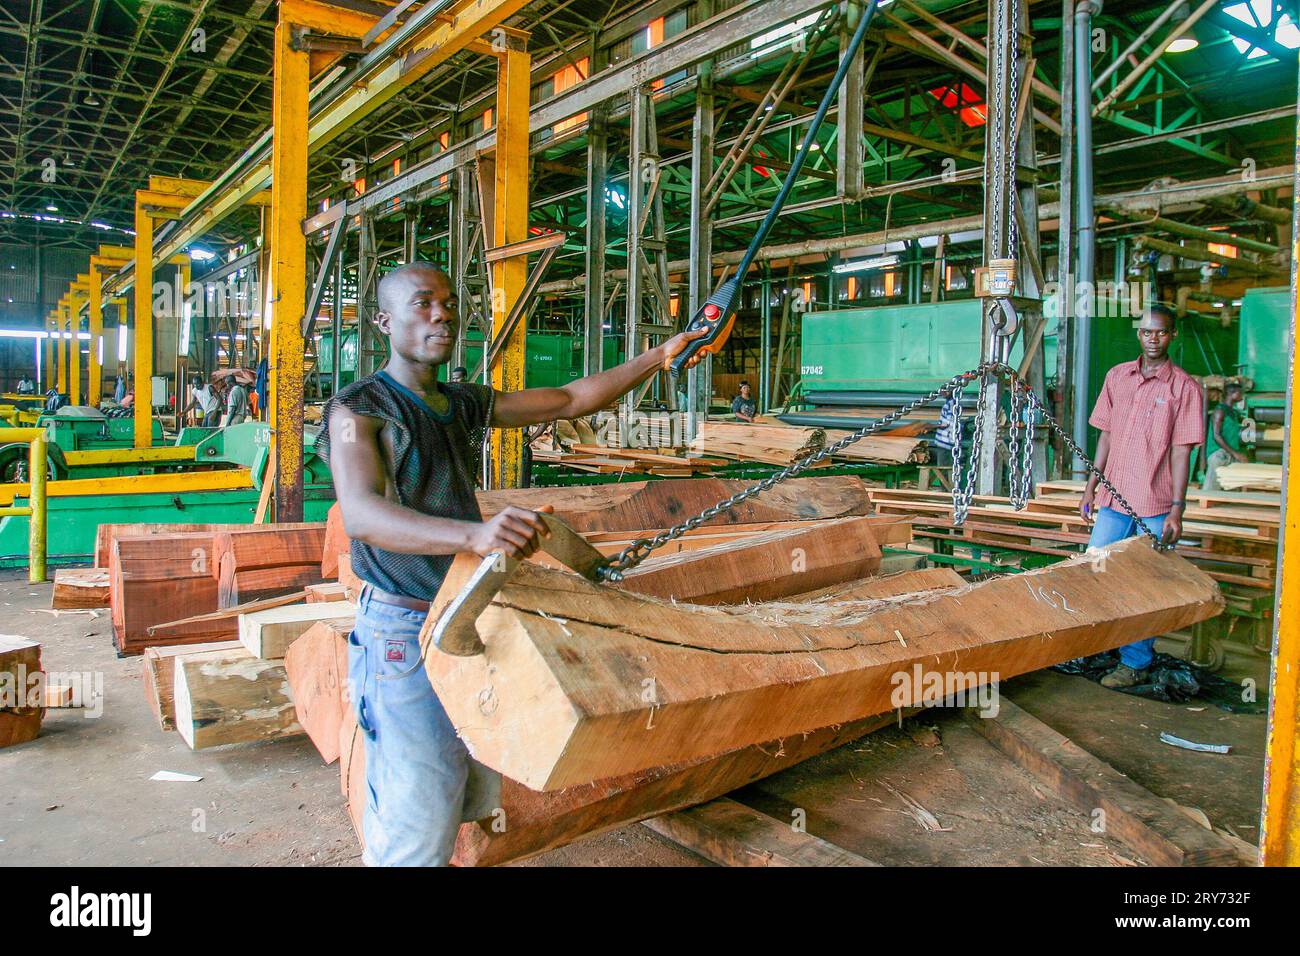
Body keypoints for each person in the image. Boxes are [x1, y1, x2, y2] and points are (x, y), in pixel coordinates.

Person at [319, 262, 704, 867]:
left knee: (454, 792)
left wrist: (659, 355)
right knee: (417, 814)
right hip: (402, 632)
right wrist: (477, 532)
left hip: (461, 617)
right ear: (383, 321)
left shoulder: (459, 402)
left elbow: (572, 398)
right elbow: (363, 515)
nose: (442, 314)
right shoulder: (356, 412)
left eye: (448, 303)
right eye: (422, 304)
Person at [1079, 304, 1204, 690]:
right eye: (1147, 332)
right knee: (1094, 571)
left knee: (1146, 584)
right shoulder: (1118, 377)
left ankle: (1135, 662)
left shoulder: (1184, 387)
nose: (1154, 338)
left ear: (1172, 336)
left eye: (1162, 332)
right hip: (1113, 500)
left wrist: (1177, 511)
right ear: (1139, 334)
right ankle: (1091, 646)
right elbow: (1106, 436)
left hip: (1156, 502)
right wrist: (1090, 486)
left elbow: (1182, 451)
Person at [1202, 381, 1247, 492]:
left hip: (1231, 453)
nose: (1242, 395)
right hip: (1219, 454)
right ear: (1232, 394)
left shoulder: (1234, 413)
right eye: (1240, 393)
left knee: (1233, 487)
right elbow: (1217, 436)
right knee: (1211, 490)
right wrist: (1235, 453)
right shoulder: (1220, 411)